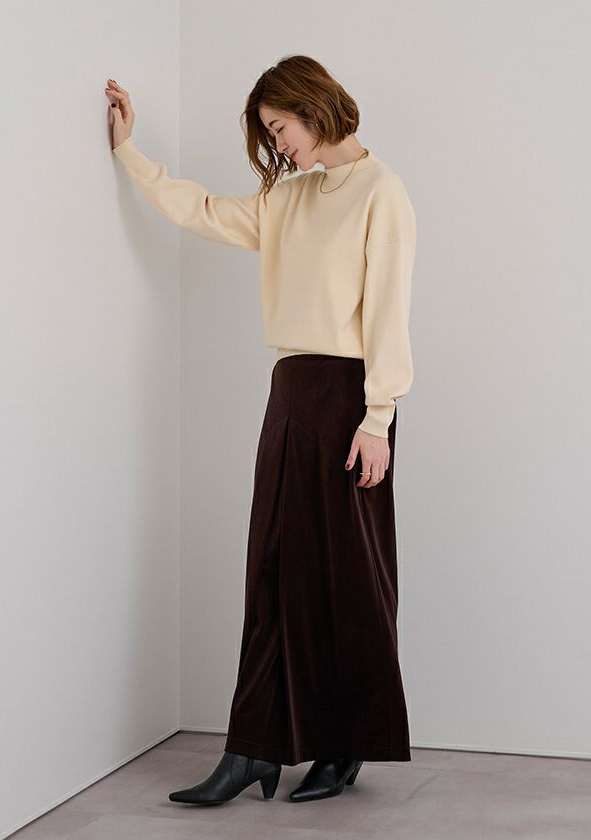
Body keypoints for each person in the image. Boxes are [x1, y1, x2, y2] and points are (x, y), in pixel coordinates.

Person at [105, 53, 416, 805]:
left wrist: (378, 418)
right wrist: (129, 153)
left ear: (314, 108)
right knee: (273, 568)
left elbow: (388, 310)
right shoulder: (288, 199)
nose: (277, 145)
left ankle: (344, 746)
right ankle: (253, 749)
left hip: (350, 401)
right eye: (270, 133)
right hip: (291, 392)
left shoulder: (381, 191)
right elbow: (204, 210)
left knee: (347, 578)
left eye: (280, 128)